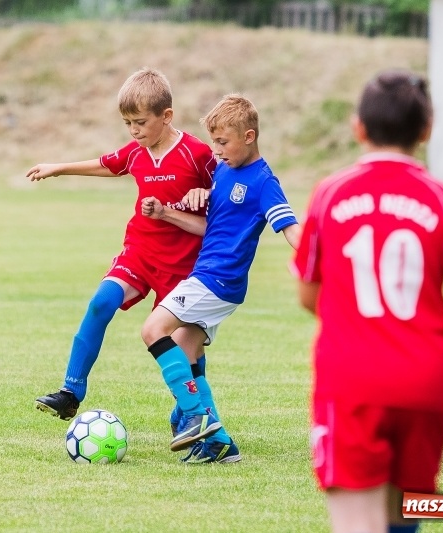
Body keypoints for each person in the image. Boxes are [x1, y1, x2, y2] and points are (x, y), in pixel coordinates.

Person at [292, 69, 443, 533]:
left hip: (350, 379)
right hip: (424, 382)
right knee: (406, 513)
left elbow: (308, 292)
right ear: (426, 130)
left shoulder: (330, 195)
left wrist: (351, 316)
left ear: (359, 128)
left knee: (358, 524)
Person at [27, 68, 216, 428]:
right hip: (140, 252)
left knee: (185, 345)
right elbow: (106, 164)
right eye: (128, 122)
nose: (134, 130)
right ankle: (70, 392)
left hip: (183, 264)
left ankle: (191, 410)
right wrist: (59, 168)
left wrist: (205, 194)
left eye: (141, 122)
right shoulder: (137, 152)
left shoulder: (197, 154)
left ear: (167, 116)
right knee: (101, 301)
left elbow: (224, 193)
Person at [140, 94, 300, 463]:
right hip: (210, 276)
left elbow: (290, 229)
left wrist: (320, 256)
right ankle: (219, 443)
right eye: (214, 141)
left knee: (153, 330)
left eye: (223, 142)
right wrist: (166, 213)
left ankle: (195, 415)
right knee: (185, 348)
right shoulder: (225, 170)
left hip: (218, 279)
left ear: (248, 136)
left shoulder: (263, 182)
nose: (217, 150)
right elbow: (211, 227)